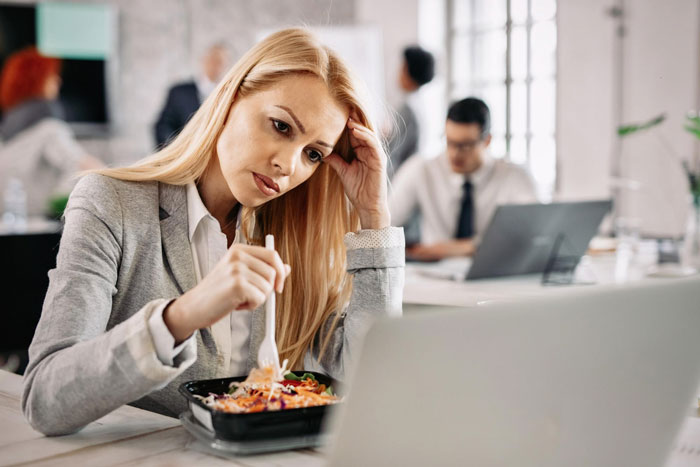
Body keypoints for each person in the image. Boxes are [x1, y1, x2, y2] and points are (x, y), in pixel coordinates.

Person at [22, 28, 404, 436]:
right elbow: (45, 399)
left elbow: (371, 373)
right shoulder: (109, 202)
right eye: (280, 126)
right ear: (231, 98)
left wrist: (374, 213)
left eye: (313, 154)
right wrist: (182, 315)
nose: (289, 165)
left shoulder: (294, 236)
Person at [390, 97, 537, 261]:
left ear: (487, 140)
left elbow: (531, 234)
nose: (454, 153)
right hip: (433, 276)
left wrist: (456, 249)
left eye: (465, 145)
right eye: (450, 142)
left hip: (493, 272)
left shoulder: (514, 176)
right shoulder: (421, 169)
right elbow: (386, 222)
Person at [0, 47, 103, 218]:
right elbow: (87, 168)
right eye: (51, 76)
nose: (58, 81)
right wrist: (56, 206)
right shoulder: (50, 130)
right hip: (44, 231)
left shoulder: (5, 134)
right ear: (37, 81)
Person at [154, 43, 230, 148]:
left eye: (221, 62)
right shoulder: (179, 92)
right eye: (212, 60)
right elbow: (163, 126)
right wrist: (175, 150)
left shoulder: (230, 95)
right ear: (203, 60)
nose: (215, 65)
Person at [386, 46, 434, 178]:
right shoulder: (421, 103)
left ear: (408, 71)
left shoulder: (407, 109)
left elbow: (391, 156)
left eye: (402, 67)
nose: (397, 72)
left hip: (400, 181)